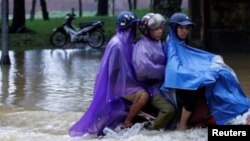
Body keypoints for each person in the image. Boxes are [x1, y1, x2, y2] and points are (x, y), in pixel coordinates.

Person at [161, 12, 250, 129]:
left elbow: (191, 60)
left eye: (187, 28)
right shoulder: (172, 46)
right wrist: (198, 77)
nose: (184, 31)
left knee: (223, 74)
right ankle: (182, 124)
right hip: (178, 86)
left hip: (185, 80)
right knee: (196, 90)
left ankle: (228, 111)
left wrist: (209, 67)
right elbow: (175, 71)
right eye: (181, 28)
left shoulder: (180, 43)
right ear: (173, 28)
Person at [68, 11, 149, 137]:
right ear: (128, 28)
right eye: (132, 27)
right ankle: (127, 122)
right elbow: (114, 73)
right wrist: (124, 88)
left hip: (125, 83)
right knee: (143, 95)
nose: (134, 30)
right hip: (118, 85)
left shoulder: (127, 43)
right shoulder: (117, 45)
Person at [132, 13, 175, 130]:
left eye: (161, 28)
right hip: (151, 88)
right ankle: (153, 130)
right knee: (169, 109)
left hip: (164, 84)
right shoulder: (142, 47)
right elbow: (143, 69)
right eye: (156, 29)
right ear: (146, 31)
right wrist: (165, 70)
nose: (160, 31)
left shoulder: (158, 42)